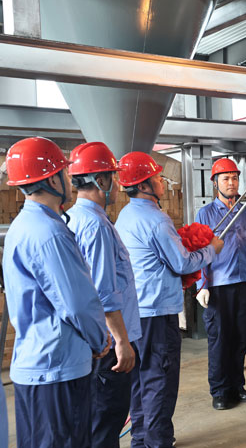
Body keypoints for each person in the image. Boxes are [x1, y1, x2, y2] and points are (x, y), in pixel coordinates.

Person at [3, 137, 110, 447]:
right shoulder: (50, 233)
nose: (69, 178)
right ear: (51, 180)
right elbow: (77, 304)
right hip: (57, 369)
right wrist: (99, 339)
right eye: (64, 172)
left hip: (37, 365)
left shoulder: (23, 225)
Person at [115, 151, 223, 447]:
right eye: (157, 177)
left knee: (140, 380)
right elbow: (182, 263)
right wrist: (212, 249)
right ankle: (158, 440)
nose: (162, 181)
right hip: (157, 313)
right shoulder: (156, 219)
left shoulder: (126, 215)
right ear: (144, 185)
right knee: (159, 380)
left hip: (134, 311)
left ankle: (141, 439)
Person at [67, 142, 141, 447]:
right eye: (113, 177)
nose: (117, 185)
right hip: (109, 344)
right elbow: (104, 292)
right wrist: (122, 341)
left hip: (90, 342)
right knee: (106, 421)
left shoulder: (72, 218)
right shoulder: (96, 225)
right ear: (101, 180)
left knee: (95, 421)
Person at [195, 158, 246, 410]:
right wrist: (202, 285)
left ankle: (236, 386)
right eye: (225, 178)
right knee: (220, 339)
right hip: (219, 286)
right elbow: (199, 250)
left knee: (242, 338)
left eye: (234, 178)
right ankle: (220, 391)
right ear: (215, 183)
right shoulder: (206, 214)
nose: (231, 183)